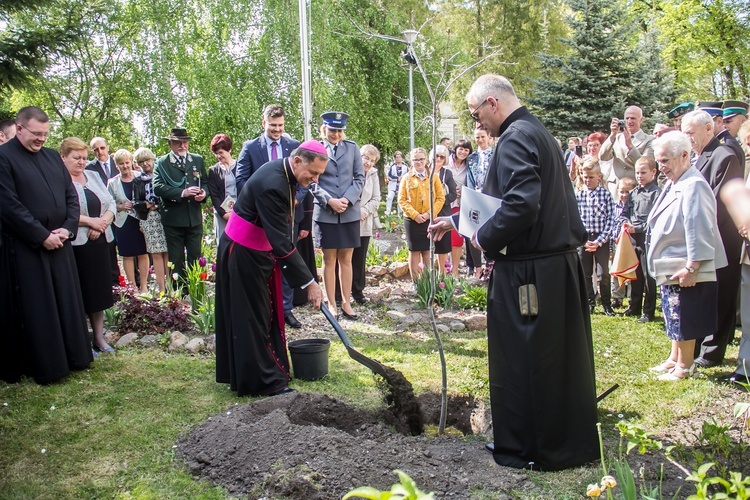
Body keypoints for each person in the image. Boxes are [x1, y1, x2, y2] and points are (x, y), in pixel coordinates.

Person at [429, 74, 598, 471]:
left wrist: (484, 240)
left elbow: (521, 205)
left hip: (530, 273)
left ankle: (530, 448)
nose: (477, 125)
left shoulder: (516, 136)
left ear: (493, 103)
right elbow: (499, 203)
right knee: (555, 358)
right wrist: (458, 223)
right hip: (551, 267)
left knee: (528, 358)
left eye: (476, 114)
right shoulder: (536, 130)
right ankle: (559, 440)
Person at [215, 141, 325, 397]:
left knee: (264, 313)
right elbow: (281, 241)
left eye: (319, 174)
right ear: (297, 161)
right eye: (313, 172)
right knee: (253, 317)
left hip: (257, 252)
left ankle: (273, 370)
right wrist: (309, 283)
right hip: (243, 253)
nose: (315, 179)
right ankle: (263, 381)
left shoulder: (285, 174)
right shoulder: (273, 184)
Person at [0, 106, 93, 384]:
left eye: (45, 134)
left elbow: (71, 197)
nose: (41, 139)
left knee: (66, 301)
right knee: (39, 308)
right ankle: (48, 366)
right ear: (19, 129)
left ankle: (75, 357)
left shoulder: (53, 157)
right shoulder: (4, 159)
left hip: (61, 243)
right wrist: (42, 236)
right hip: (28, 248)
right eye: (36, 133)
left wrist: (66, 227)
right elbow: (9, 205)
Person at [647, 131, 727, 381]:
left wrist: (693, 266)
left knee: (685, 314)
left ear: (684, 155)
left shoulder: (694, 184)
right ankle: (674, 358)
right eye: (659, 161)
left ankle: (685, 365)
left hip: (685, 264)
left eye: (665, 161)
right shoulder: (676, 181)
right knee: (674, 313)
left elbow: (699, 226)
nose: (661, 168)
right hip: (672, 261)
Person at [681, 110, 743, 367]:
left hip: (723, 239)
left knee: (722, 296)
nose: (688, 139)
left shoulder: (724, 156)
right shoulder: (701, 157)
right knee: (705, 295)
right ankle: (696, 346)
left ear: (709, 128)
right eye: (685, 134)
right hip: (705, 237)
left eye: (691, 133)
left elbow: (717, 202)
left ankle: (712, 351)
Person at [61, 137, 116, 353]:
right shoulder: (60, 180)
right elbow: (63, 212)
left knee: (99, 292)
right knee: (80, 292)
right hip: (76, 245)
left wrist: (102, 223)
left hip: (101, 242)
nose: (81, 162)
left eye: (84, 158)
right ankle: (82, 339)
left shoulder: (93, 176)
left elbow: (110, 202)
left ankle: (99, 338)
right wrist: (89, 222)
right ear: (63, 157)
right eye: (76, 158)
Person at [310, 111, 364, 320]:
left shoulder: (352, 148)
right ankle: (332, 303)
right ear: (324, 129)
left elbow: (359, 178)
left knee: (347, 259)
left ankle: (347, 302)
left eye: (339, 130)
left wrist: (347, 200)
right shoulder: (315, 149)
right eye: (332, 130)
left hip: (348, 211)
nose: (336, 134)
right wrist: (329, 200)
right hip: (326, 212)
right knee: (329, 259)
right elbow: (311, 180)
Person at [153, 128, 208, 287]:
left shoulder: (197, 160)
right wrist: (182, 192)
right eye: (178, 143)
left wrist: (204, 194)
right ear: (170, 143)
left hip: (194, 218)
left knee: (195, 257)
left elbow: (204, 181)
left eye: (185, 142)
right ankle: (179, 295)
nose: (182, 146)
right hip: (174, 219)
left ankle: (196, 290)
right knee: (175, 259)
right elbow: (157, 187)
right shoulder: (162, 163)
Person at [620, 157, 661, 322]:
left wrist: (637, 228)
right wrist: (625, 223)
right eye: (637, 172)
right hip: (632, 239)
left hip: (647, 240)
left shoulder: (656, 193)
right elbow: (624, 213)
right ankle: (634, 306)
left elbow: (655, 221)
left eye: (643, 172)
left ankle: (648, 311)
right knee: (635, 274)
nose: (640, 176)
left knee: (648, 276)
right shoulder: (634, 192)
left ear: (653, 172)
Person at [576, 158, 616, 316]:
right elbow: (576, 218)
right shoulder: (579, 194)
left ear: (599, 176)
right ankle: (589, 302)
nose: (588, 180)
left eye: (591, 177)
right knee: (585, 273)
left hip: (601, 239)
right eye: (585, 177)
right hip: (585, 239)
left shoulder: (605, 195)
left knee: (603, 273)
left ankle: (606, 303)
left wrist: (599, 241)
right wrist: (583, 240)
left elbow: (611, 219)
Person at [398, 147, 445, 282]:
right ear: (411, 161)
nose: (418, 162)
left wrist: (429, 214)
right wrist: (415, 215)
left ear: (426, 160)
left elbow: (440, 198)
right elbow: (401, 200)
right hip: (412, 221)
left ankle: (429, 282)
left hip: (428, 219)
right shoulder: (406, 178)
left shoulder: (433, 177)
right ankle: (416, 283)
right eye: (415, 159)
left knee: (427, 251)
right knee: (414, 251)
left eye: (421, 159)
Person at [108, 149, 149, 292]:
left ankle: (144, 285)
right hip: (123, 222)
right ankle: (132, 287)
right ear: (116, 165)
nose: (125, 166)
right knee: (127, 254)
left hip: (141, 220)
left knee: (143, 252)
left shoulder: (141, 177)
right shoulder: (112, 182)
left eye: (127, 162)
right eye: (121, 164)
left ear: (132, 162)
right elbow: (108, 203)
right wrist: (119, 206)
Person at [235, 104, 300, 193]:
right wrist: (257, 199)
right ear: (264, 123)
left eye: (280, 125)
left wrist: (297, 198)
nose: (277, 129)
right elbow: (241, 181)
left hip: (289, 204)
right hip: (260, 204)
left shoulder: (294, 146)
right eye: (273, 125)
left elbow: (304, 175)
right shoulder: (250, 148)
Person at [132, 147, 169, 293]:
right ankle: (161, 288)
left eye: (147, 160)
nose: (145, 164)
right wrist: (148, 205)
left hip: (165, 216)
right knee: (156, 253)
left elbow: (167, 195)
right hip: (149, 219)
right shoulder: (137, 181)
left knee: (168, 252)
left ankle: (171, 287)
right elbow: (136, 202)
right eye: (142, 162)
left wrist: (157, 204)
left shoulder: (162, 176)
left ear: (153, 159)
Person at [599, 106, 655, 200]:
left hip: (635, 188)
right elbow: (602, 156)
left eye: (633, 118)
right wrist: (612, 136)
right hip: (616, 188)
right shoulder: (616, 138)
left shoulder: (649, 140)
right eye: (627, 118)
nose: (629, 121)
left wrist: (630, 146)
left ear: (641, 120)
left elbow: (646, 164)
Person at [86, 136, 121, 285]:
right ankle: (113, 280)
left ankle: (134, 281)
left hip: (122, 213)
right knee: (109, 249)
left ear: (107, 147)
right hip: (103, 215)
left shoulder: (118, 162)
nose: (100, 152)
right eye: (96, 149)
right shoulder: (89, 169)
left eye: (102, 148)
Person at [350, 144, 382, 303]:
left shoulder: (373, 174)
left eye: (372, 160)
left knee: (359, 258)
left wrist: (363, 211)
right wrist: (354, 211)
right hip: (347, 220)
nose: (368, 162)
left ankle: (357, 292)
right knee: (344, 257)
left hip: (363, 222)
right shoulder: (349, 169)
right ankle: (339, 292)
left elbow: (376, 198)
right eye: (366, 158)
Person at [465, 128, 493, 278]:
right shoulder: (472, 158)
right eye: (477, 137)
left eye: (483, 137)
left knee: (490, 232)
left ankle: (490, 264)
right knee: (473, 232)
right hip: (476, 197)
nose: (480, 140)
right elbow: (470, 178)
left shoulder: (496, 155)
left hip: (491, 198)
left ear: (489, 137)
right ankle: (477, 268)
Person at [446, 138, 472, 277]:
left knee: (457, 238)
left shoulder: (468, 166)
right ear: (455, 149)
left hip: (459, 204)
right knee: (443, 237)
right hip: (444, 204)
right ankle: (443, 270)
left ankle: (455, 270)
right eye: (460, 149)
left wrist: (464, 191)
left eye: (466, 150)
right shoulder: (446, 163)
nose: (463, 152)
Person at [610, 176, 636, 309]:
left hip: (629, 243)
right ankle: (617, 297)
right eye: (622, 191)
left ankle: (632, 297)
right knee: (616, 269)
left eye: (628, 192)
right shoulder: (614, 206)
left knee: (630, 269)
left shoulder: (633, 207)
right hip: (616, 242)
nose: (624, 195)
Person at [207, 133, 238, 243]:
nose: (219, 156)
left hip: (240, 213)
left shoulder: (241, 167)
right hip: (222, 214)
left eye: (221, 152)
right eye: (216, 153)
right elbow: (214, 195)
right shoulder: (213, 171)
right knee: (223, 245)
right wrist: (224, 214)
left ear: (229, 150)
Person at [431, 144, 457, 272]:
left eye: (442, 157)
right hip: (426, 213)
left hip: (442, 213)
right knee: (425, 247)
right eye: (437, 156)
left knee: (443, 246)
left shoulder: (447, 174)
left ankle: (442, 276)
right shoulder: (425, 171)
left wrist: (439, 202)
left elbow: (453, 194)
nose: (439, 159)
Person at [384, 151, 409, 216]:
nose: (398, 159)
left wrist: (402, 178)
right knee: (389, 197)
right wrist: (397, 178)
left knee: (400, 199)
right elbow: (389, 175)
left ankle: (399, 214)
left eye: (399, 157)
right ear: (395, 158)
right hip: (393, 185)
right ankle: (387, 212)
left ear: (402, 158)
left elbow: (408, 175)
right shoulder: (392, 166)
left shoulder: (405, 166)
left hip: (402, 185)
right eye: (397, 157)